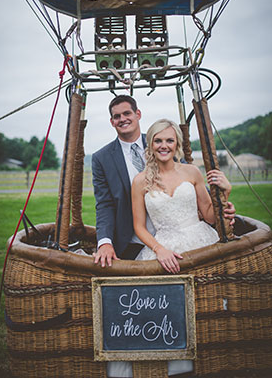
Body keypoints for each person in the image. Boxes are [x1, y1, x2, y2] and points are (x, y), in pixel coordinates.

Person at [92, 95, 235, 267]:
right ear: (112, 121)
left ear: (138, 114)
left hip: (195, 237)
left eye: (127, 113)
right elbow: (104, 205)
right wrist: (105, 242)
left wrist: (223, 201)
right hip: (138, 242)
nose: (122, 119)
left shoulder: (164, 142)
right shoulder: (102, 159)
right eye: (117, 116)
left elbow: (198, 199)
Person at [132, 118, 232, 273]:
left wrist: (225, 191)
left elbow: (210, 216)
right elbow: (139, 227)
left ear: (177, 144)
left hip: (201, 241)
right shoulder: (139, 181)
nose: (163, 146)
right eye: (158, 141)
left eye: (169, 141)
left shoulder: (192, 172)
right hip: (165, 247)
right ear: (150, 144)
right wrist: (159, 250)